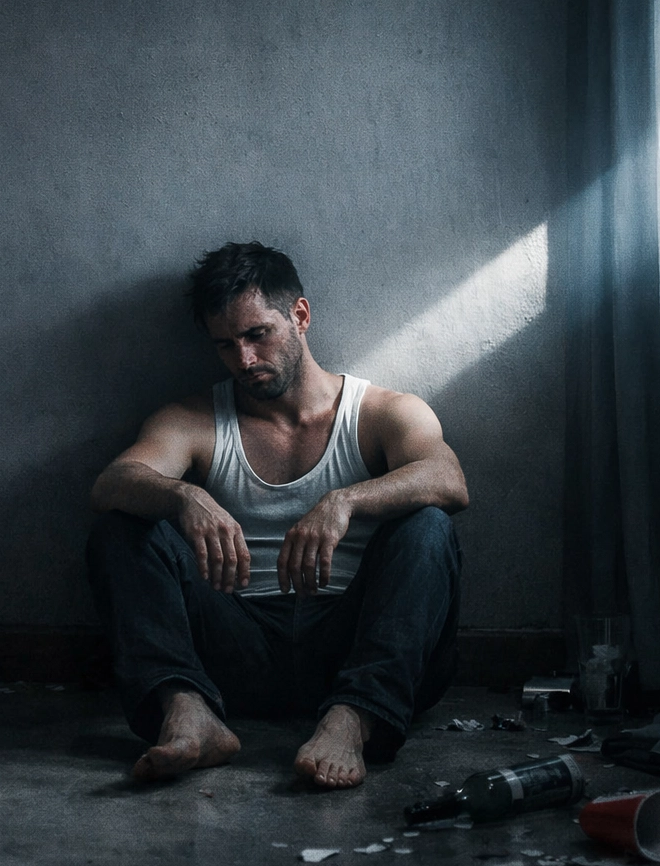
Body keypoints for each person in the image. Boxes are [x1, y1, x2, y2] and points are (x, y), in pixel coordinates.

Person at [86, 241, 468, 789]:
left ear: (300, 315)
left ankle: (352, 720)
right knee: (120, 529)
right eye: (225, 345)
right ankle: (189, 713)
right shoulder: (195, 418)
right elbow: (112, 484)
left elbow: (449, 479)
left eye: (256, 334)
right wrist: (183, 497)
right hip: (238, 647)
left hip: (359, 645)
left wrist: (344, 501)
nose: (244, 360)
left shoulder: (382, 412)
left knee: (429, 527)